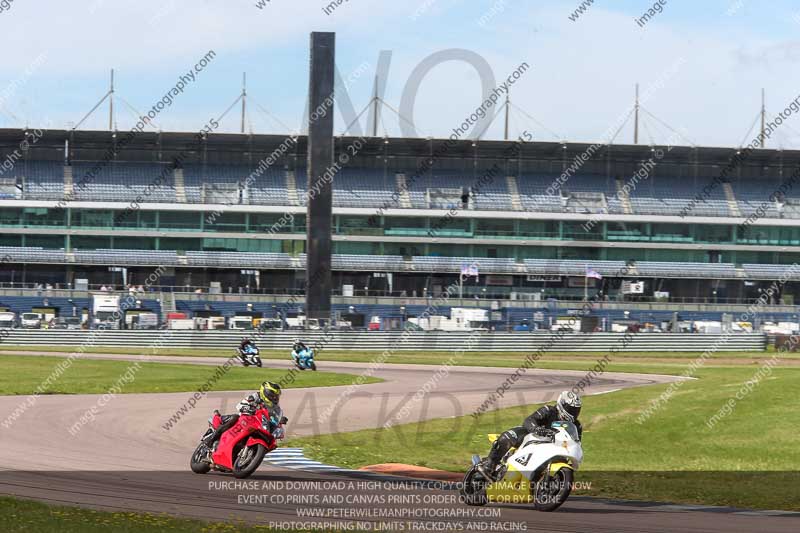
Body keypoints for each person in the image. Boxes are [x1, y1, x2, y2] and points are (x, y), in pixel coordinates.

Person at [476, 391, 582, 481]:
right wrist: (537, 429)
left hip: (553, 448)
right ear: (561, 404)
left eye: (576, 410)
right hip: (533, 438)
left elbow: (576, 442)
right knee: (510, 436)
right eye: (570, 409)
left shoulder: (577, 426)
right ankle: (489, 465)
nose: (573, 412)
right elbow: (529, 420)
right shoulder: (548, 410)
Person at [203, 381, 286, 451]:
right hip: (245, 418)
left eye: (276, 396)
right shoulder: (255, 397)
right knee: (234, 418)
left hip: (257, 424)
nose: (275, 397)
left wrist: (279, 421)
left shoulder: (274, 407)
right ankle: (211, 440)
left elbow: (273, 417)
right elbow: (239, 405)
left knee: (271, 443)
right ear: (265, 392)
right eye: (272, 395)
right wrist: (248, 408)